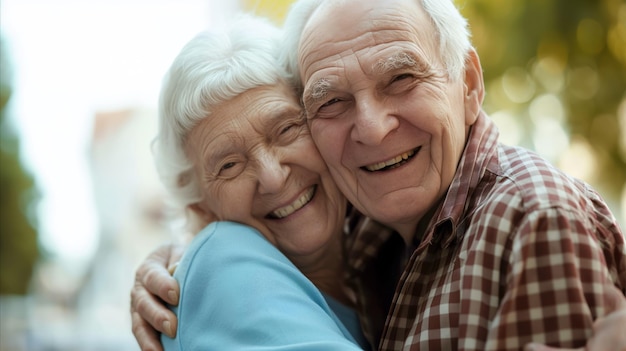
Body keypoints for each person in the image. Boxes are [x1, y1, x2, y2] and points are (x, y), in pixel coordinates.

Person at [132, 0, 626, 350]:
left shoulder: (532, 219)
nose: (371, 127)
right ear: (199, 203)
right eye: (333, 100)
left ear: (469, 84)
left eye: (401, 77)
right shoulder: (375, 231)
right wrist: (202, 263)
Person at [149, 14, 368, 350]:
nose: (274, 178)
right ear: (203, 208)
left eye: (285, 130)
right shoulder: (221, 266)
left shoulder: (381, 243)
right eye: (230, 165)